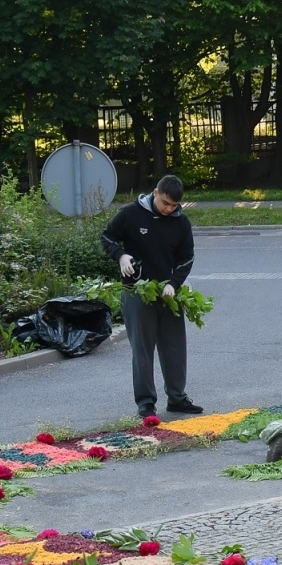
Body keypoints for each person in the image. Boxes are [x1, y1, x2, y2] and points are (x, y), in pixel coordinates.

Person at [101, 174, 200, 417]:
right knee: (142, 349)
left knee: (175, 347)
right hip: (137, 291)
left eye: (174, 206)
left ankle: (177, 398)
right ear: (155, 193)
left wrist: (174, 284)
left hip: (168, 294)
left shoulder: (181, 222)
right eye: (165, 203)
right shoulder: (130, 214)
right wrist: (121, 255)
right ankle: (146, 402)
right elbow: (106, 237)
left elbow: (187, 258)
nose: (169, 209)